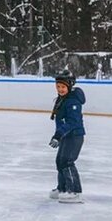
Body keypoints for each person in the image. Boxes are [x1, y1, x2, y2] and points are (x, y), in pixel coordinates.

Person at [49, 71, 86, 203]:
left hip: (74, 136)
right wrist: (59, 135)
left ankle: (74, 191)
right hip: (66, 136)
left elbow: (72, 122)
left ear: (69, 86)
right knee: (60, 161)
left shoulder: (72, 102)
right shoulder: (62, 99)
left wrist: (58, 135)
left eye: (63, 87)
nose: (60, 89)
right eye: (58, 86)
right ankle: (63, 188)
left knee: (67, 162)